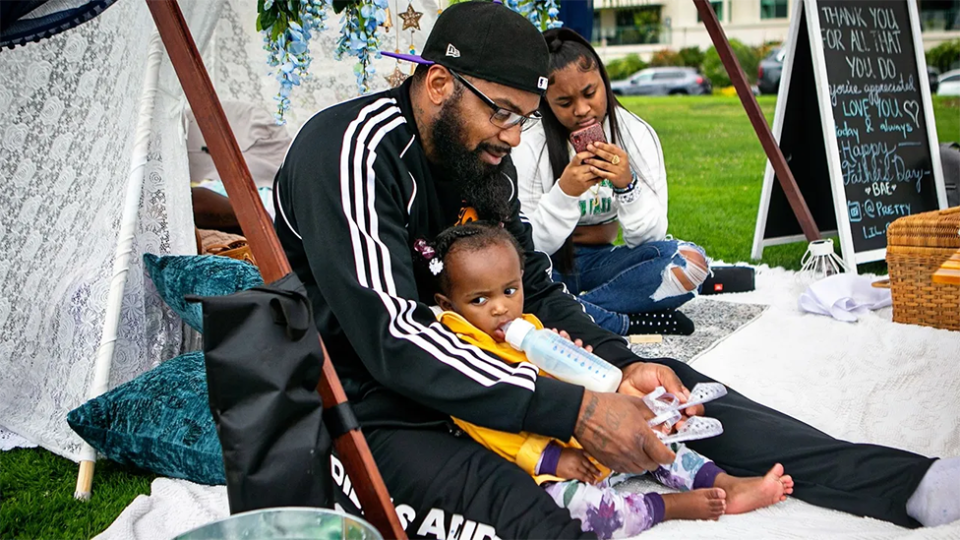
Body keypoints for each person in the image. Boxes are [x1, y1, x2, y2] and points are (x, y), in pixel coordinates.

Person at [273, 2, 957, 536]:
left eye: (523, 118)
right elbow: (390, 337)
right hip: (380, 409)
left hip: (500, 362)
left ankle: (910, 484)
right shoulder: (354, 151)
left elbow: (534, 284)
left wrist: (615, 364)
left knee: (684, 399)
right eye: (503, 115)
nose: (514, 139)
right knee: (535, 518)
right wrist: (577, 408)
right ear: (439, 83)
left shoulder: (479, 159)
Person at [425, 222, 793, 539]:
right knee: (584, 513)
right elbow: (486, 426)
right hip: (545, 468)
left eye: (509, 290)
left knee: (652, 438)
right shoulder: (460, 350)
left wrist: (571, 360)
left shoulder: (530, 328)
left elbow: (574, 385)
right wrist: (552, 460)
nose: (500, 307)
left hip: (593, 441)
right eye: (479, 299)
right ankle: (664, 507)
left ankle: (722, 482)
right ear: (449, 303)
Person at [512, 27, 708, 337]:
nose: (581, 110)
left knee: (690, 263)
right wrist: (565, 192)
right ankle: (622, 321)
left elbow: (650, 239)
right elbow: (528, 247)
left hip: (604, 265)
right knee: (506, 286)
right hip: (545, 270)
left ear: (604, 81)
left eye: (590, 93)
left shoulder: (636, 134)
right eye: (564, 102)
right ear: (546, 101)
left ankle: (568, 312)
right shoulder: (526, 143)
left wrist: (627, 186)